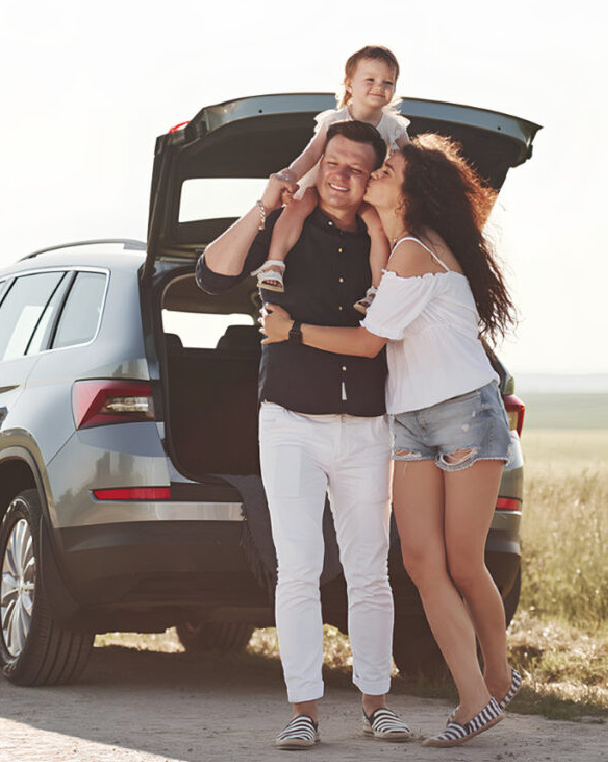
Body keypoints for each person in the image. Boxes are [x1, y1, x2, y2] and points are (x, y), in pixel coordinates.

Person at [261, 134, 524, 748]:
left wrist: (291, 331)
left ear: (411, 188)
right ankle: (479, 694)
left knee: (462, 562)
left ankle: (492, 681)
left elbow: (367, 343)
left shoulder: (415, 251)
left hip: (463, 412)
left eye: (386, 169)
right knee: (421, 562)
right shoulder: (399, 245)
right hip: (409, 419)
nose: (373, 174)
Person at [196, 119, 412, 749]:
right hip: (290, 422)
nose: (342, 177)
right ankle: (304, 712)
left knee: (370, 570)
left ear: (372, 177)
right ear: (322, 164)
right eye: (334, 163)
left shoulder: (387, 238)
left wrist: (294, 332)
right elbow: (213, 275)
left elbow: (381, 340)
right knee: (298, 568)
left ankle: (377, 705)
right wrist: (268, 200)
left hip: (367, 425)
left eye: (357, 168)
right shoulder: (286, 227)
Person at [255, 45, 410, 315]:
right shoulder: (335, 120)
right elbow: (311, 154)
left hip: (360, 192)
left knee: (377, 227)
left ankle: (377, 289)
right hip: (321, 187)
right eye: (370, 80)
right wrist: (290, 176)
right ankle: (275, 263)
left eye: (388, 82)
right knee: (298, 207)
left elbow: (412, 162)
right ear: (349, 84)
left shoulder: (393, 127)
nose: (379, 87)